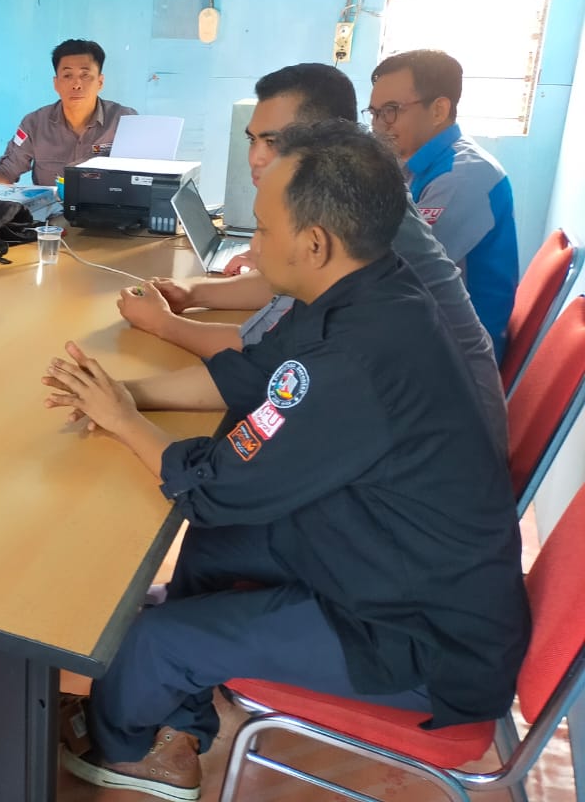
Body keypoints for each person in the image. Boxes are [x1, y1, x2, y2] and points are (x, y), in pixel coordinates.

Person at [46, 121, 529, 800]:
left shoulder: (361, 357)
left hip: (419, 634)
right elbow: (262, 382)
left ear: (314, 242)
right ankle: (169, 709)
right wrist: (128, 395)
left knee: (159, 637)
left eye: (263, 229)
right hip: (383, 552)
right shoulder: (364, 294)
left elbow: (216, 486)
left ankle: (130, 748)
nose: (253, 243)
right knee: (216, 547)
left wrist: (125, 422)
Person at [119, 62, 508, 455]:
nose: (255, 157)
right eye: (252, 139)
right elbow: (279, 302)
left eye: (273, 141)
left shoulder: (351, 219)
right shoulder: (350, 196)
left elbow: (258, 360)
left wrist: (163, 325)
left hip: (434, 441)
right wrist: (193, 292)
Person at [368, 48, 518, 360]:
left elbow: (394, 272)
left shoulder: (464, 175)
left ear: (438, 110)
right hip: (420, 329)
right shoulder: (412, 165)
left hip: (455, 358)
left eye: (391, 110)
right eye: (375, 113)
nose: (379, 125)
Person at [0, 39, 137, 187]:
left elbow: (145, 177)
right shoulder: (34, 124)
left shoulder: (125, 122)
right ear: (56, 83)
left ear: (100, 82)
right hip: (50, 213)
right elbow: (5, 172)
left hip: (106, 212)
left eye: (85, 76)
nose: (77, 85)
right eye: (68, 76)